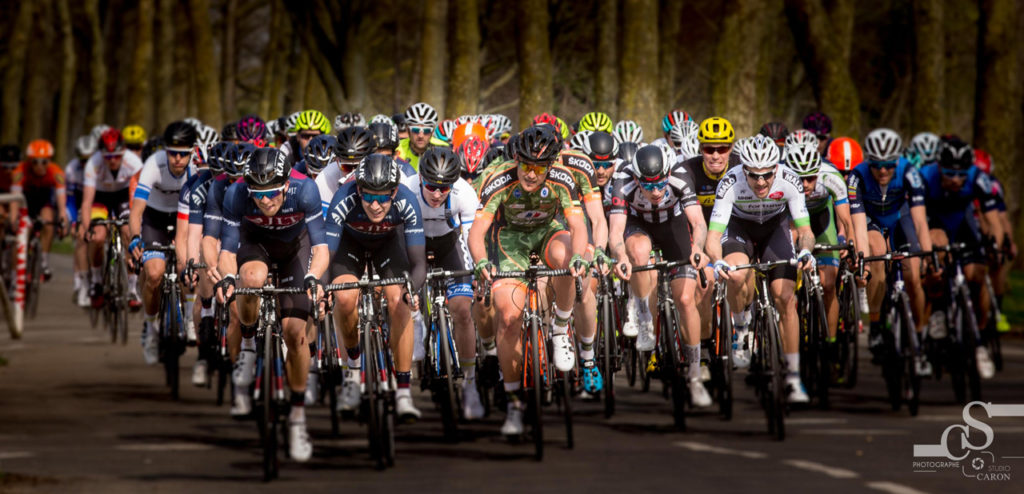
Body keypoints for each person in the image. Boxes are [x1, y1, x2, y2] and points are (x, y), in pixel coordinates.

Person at [469, 125, 587, 436]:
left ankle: (560, 327)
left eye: (538, 168)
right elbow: (476, 233)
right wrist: (481, 261)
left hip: (546, 233)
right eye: (525, 165)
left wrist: (579, 256)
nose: (531, 174)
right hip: (509, 243)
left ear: (550, 165)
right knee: (508, 318)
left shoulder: (563, 177)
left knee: (569, 258)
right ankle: (513, 403)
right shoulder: (499, 180)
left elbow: (577, 225)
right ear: (516, 160)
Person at [216, 147, 328, 462]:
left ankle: (297, 419)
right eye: (259, 195)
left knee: (295, 334)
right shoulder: (237, 194)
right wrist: (227, 277)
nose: (266, 201)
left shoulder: (305, 189)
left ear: (286, 185)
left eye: (273, 193)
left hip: (296, 248)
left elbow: (320, 246)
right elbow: (227, 247)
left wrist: (313, 277)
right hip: (256, 245)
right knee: (250, 279)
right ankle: (249, 347)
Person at [705, 135, 816, 403]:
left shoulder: (790, 180)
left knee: (785, 298)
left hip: (774, 230)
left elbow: (805, 231)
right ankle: (742, 328)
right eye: (754, 176)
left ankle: (792, 378)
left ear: (776, 169)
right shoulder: (729, 182)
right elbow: (712, 236)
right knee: (736, 273)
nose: (761, 181)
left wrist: (805, 251)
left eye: (767, 174)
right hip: (739, 229)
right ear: (744, 169)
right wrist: (717, 259)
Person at [607, 144, 711, 406]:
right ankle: (645, 317)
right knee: (640, 252)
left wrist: (698, 248)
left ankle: (696, 375)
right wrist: (621, 257)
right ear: (637, 177)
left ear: (667, 173)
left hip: (672, 226)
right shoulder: (623, 180)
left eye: (659, 184)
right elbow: (616, 232)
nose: (655, 191)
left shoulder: (680, 175)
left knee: (687, 300)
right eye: (648, 185)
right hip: (637, 225)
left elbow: (698, 222)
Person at [324, 153, 426, 421]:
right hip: (350, 246)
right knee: (344, 299)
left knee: (400, 301)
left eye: (383, 197)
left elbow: (418, 264)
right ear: (358, 190)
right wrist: (323, 290)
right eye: (369, 196)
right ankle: (353, 368)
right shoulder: (343, 199)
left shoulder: (406, 200)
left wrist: (411, 291)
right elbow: (328, 257)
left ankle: (403, 391)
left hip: (388, 245)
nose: (376, 205)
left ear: (394, 192)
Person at [402, 147, 484, 418]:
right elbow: (396, 236)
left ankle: (471, 385)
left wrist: (476, 274)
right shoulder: (407, 188)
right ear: (421, 178)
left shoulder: (465, 193)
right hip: (415, 244)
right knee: (407, 296)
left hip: (451, 246)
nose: (437, 194)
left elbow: (472, 239)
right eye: (431, 186)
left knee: (462, 310)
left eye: (443, 188)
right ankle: (416, 321)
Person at [847, 128, 934, 375]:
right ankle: (876, 324)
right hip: (873, 221)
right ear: (868, 160)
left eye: (888, 165)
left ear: (897, 160)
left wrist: (928, 255)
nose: (883, 171)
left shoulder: (909, 172)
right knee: (875, 252)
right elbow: (859, 229)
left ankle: (918, 337)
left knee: (914, 275)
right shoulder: (857, 177)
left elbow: (919, 222)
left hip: (901, 219)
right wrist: (863, 263)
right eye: (877, 165)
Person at [919, 138, 997, 378]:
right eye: (950, 173)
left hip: (963, 226)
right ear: (940, 168)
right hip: (934, 223)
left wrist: (995, 240)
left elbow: (992, 216)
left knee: (977, 275)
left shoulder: (977, 177)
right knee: (935, 262)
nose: (955, 179)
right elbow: (917, 217)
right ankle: (937, 312)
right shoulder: (925, 176)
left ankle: (980, 340)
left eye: (960, 174)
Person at [783, 142, 857, 371]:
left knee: (829, 284)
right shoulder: (781, 178)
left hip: (822, 220)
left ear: (818, 173)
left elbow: (846, 218)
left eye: (810, 178)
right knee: (786, 280)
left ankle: (831, 343)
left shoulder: (831, 176)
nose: (805, 184)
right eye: (800, 178)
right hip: (792, 219)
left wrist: (850, 244)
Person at [129, 122, 198, 365]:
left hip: (186, 218)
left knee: (187, 267)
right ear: (165, 151)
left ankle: (190, 316)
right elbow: (136, 212)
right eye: (173, 152)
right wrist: (135, 238)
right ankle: (149, 328)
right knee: (155, 274)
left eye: (183, 154)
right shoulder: (153, 164)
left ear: (192, 151)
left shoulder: (197, 167)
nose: (178, 159)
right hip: (154, 218)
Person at [79, 128, 145, 309]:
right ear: (101, 155)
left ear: (124, 151)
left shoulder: (133, 162)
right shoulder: (93, 164)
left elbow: (141, 196)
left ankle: (132, 287)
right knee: (98, 236)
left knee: (127, 231)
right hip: (100, 198)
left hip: (124, 195)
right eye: (108, 157)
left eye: (116, 156)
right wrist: (87, 228)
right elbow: (87, 202)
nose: (113, 160)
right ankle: (97, 280)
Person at [10, 139, 70, 280]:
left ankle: (44, 260)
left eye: (44, 162)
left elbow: (61, 204)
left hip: (44, 201)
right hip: (25, 202)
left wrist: (63, 219)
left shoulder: (56, 173)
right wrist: (13, 219)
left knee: (48, 221)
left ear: (49, 161)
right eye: (35, 162)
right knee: (21, 235)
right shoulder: (20, 171)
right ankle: (14, 276)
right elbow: (14, 199)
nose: (40, 166)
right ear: (29, 161)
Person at [68, 136, 96, 303]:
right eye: (82, 160)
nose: (86, 164)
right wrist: (73, 221)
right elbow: (70, 200)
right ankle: (81, 281)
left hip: (96, 201)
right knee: (81, 237)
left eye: (89, 159)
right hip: (79, 202)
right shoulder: (72, 169)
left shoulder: (99, 167)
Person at [396, 103, 438, 169]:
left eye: (427, 130)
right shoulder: (396, 149)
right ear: (408, 130)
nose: (421, 136)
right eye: (415, 130)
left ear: (432, 132)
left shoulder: (442, 151)